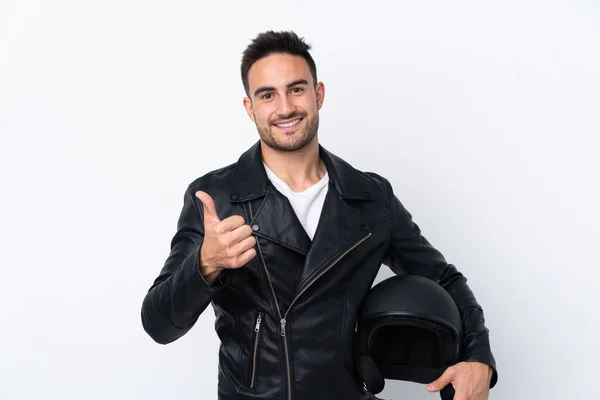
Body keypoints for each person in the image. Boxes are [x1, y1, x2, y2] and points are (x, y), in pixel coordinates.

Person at [141, 30, 498, 400]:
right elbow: (158, 324)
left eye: (296, 89)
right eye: (267, 95)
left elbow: (443, 278)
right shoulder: (215, 197)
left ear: (318, 94)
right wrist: (205, 264)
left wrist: (478, 356)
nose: (285, 108)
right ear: (250, 109)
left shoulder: (371, 197)